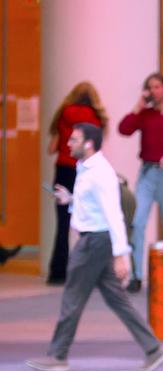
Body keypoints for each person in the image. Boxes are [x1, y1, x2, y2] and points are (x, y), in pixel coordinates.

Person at [26, 124, 163, 371]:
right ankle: (153, 349)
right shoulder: (87, 169)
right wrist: (70, 200)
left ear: (89, 144)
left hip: (94, 241)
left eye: (74, 139)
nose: (69, 143)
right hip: (96, 239)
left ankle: (58, 355)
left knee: (73, 296)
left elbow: (113, 215)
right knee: (117, 299)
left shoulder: (99, 172)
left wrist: (121, 255)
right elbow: (94, 207)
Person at [118, 72, 163, 291]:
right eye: (150, 87)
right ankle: (137, 275)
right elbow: (124, 129)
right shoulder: (146, 114)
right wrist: (138, 106)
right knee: (137, 222)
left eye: (158, 87)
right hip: (148, 172)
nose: (154, 91)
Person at [46, 82, 107, 285]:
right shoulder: (96, 117)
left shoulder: (64, 113)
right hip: (85, 170)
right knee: (88, 222)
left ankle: (57, 272)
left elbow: (52, 147)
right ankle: (88, 272)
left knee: (63, 224)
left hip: (63, 169)